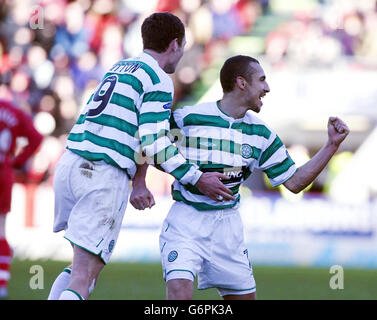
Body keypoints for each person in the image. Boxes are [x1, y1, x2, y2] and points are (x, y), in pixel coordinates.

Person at [48, 12, 233, 301]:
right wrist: (197, 179)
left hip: (71, 164)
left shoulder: (119, 67)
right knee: (84, 274)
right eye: (182, 48)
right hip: (102, 172)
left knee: (82, 268)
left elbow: (130, 131)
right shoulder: (158, 79)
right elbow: (154, 141)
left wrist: (138, 182)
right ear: (175, 44)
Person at [134, 55, 349, 300]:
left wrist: (331, 145)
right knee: (179, 294)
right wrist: (140, 183)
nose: (267, 88)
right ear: (241, 83)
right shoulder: (189, 118)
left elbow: (295, 182)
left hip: (228, 229)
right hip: (186, 222)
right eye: (262, 80)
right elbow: (149, 143)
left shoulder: (261, 134)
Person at [0, 100, 43, 299]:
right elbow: (35, 137)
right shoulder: (13, 110)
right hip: (4, 172)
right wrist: (16, 161)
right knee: (1, 230)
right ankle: (2, 283)